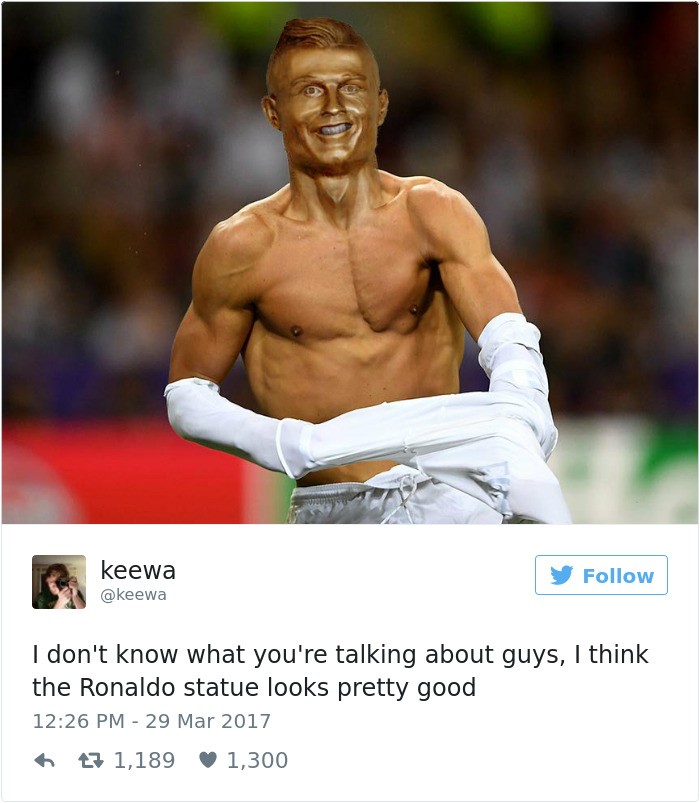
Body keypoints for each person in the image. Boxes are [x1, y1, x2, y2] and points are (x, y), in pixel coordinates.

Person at [165, 17, 571, 525]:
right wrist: (290, 445)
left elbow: (508, 336)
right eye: (310, 90)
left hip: (450, 500)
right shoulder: (242, 246)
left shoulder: (433, 212)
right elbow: (187, 397)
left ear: (380, 105)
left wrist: (521, 405)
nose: (333, 106)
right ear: (273, 112)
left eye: (351, 88)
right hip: (333, 512)